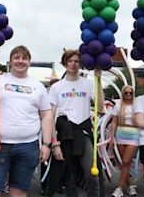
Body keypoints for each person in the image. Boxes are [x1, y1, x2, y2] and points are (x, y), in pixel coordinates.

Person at [0, 45, 52, 197]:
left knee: (18, 194)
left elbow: (47, 115)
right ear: (10, 61)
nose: (20, 61)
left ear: (29, 62)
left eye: (24, 58)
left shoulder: (38, 86)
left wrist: (46, 144)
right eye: (17, 57)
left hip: (28, 147)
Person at [47, 49, 104, 197]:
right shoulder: (56, 87)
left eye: (76, 61)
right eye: (70, 61)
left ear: (81, 64)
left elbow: (100, 107)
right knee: (69, 176)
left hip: (83, 133)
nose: (73, 64)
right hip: (65, 134)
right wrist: (54, 144)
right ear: (65, 63)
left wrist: (99, 81)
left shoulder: (88, 84)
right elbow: (51, 117)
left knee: (92, 173)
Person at [110, 85, 138, 197]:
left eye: (130, 93)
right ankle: (130, 186)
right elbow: (114, 122)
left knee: (126, 161)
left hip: (134, 134)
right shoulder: (118, 104)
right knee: (124, 163)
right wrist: (111, 138)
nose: (128, 95)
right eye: (126, 93)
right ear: (123, 93)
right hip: (120, 134)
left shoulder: (137, 104)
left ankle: (119, 188)